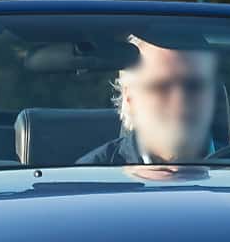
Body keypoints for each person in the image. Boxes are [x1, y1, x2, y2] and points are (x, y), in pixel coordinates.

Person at [78, 35, 219, 165]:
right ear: (129, 99)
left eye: (194, 85)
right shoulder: (90, 182)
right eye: (161, 87)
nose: (180, 100)